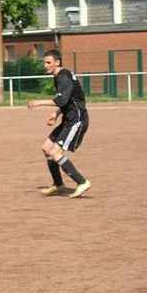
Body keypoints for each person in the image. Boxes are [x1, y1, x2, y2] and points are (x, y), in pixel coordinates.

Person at [28, 49, 91, 198]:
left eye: (48, 62)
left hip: (77, 120)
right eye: (44, 62)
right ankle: (58, 184)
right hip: (68, 119)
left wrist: (38, 103)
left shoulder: (64, 77)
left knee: (56, 152)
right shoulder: (59, 76)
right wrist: (56, 114)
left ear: (57, 62)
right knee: (46, 148)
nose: (45, 65)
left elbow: (61, 100)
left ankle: (82, 182)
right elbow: (67, 101)